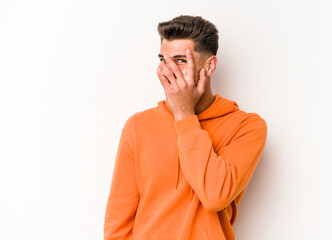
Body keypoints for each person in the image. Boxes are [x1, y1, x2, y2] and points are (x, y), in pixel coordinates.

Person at [103, 15, 267, 240]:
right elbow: (118, 221)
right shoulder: (137, 127)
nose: (168, 69)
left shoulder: (246, 127)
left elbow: (215, 196)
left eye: (180, 60)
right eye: (163, 59)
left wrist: (184, 114)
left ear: (209, 66)